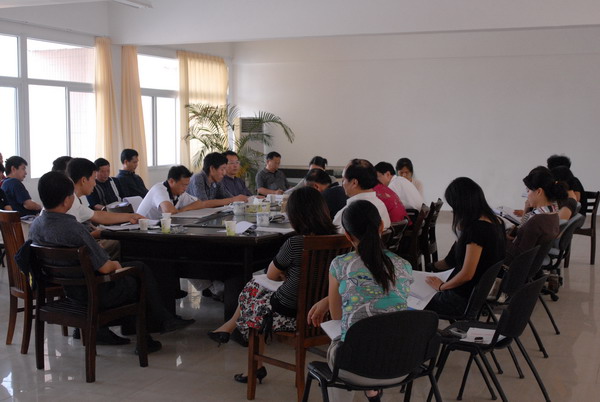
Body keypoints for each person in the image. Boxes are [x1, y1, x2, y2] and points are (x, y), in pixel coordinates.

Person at [26, 172, 194, 351]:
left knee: (133, 271)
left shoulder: (36, 226)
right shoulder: (74, 228)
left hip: (71, 292)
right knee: (139, 270)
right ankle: (149, 335)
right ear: (67, 200)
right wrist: (117, 265)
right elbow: (106, 268)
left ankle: (149, 323)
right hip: (95, 292)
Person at [207, 187, 337, 384]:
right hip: (324, 311)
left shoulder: (295, 243)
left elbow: (271, 274)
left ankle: (250, 360)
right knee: (256, 291)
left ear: (296, 216)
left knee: (255, 294)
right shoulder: (339, 240)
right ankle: (229, 329)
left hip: (291, 313)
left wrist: (287, 274)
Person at [307, 200, 413, 402]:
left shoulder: (340, 265)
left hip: (353, 368)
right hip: (400, 366)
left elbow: (337, 316)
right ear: (381, 226)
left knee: (341, 340)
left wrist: (328, 300)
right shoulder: (404, 265)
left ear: (347, 235)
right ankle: (373, 391)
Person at [424, 177, 505, 317]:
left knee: (410, 297)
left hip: (462, 299)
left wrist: (441, 286)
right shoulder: (497, 222)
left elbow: (467, 274)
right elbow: (451, 261)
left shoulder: (476, 229)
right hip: (477, 294)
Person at [505, 167, 564, 264]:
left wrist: (500, 238)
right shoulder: (552, 214)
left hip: (512, 266)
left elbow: (519, 255)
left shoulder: (537, 221)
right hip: (531, 265)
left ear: (539, 191)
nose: (527, 195)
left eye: (528, 191)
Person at [333, 159, 391, 232]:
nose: (342, 183)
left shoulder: (349, 213)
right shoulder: (381, 205)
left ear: (354, 183)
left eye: (344, 179)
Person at [137, 165, 204, 220]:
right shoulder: (159, 189)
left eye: (187, 185)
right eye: (183, 185)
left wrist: (182, 210)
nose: (185, 188)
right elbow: (168, 211)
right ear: (171, 181)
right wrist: (178, 211)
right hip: (143, 228)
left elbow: (199, 203)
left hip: (159, 227)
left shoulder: (179, 192)